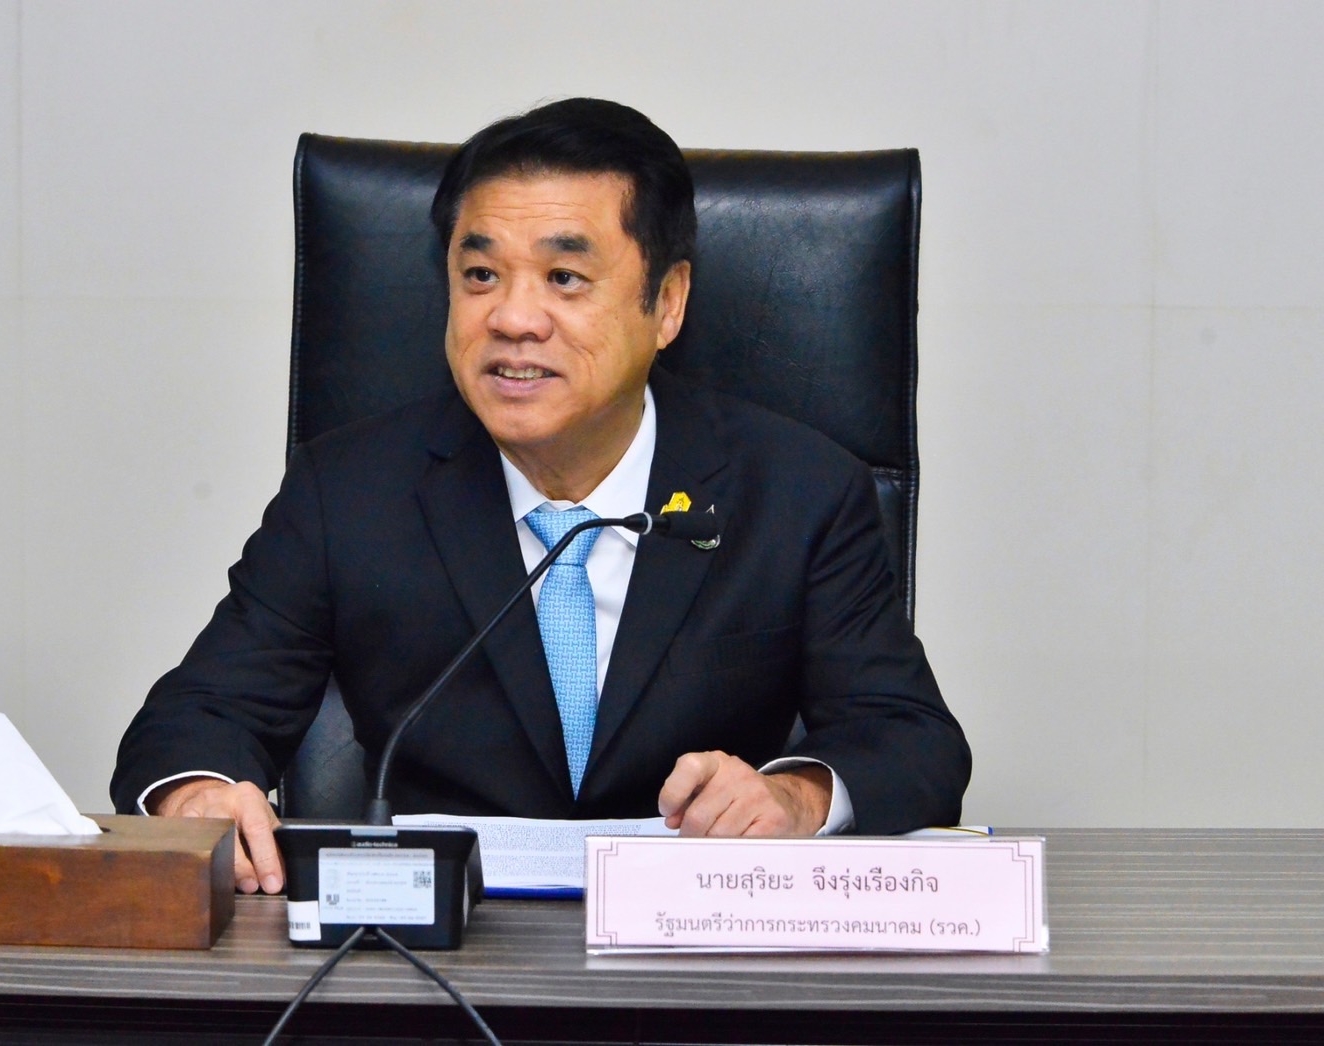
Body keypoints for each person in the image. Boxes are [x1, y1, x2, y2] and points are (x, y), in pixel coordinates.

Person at [111, 98, 970, 894]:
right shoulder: (350, 491)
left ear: (667, 303)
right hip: (437, 944)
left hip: (695, 944)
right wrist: (200, 793)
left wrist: (795, 798)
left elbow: (910, 739)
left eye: (564, 278)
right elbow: (195, 717)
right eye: (481, 275)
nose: (513, 319)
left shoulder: (799, 490)